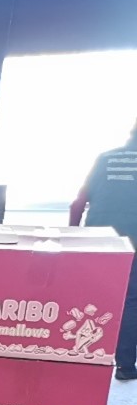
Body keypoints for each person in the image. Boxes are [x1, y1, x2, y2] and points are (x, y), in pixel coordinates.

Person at [70, 124, 137, 381]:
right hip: (133, 238)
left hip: (97, 240)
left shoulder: (105, 158)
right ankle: (126, 366)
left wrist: (72, 238)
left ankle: (81, 361)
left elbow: (78, 202)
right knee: (131, 299)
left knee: (93, 298)